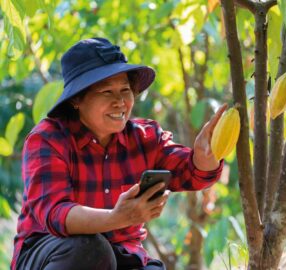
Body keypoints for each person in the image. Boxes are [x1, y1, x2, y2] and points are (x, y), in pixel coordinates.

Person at [11, 37, 226, 270]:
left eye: (125, 90)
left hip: (123, 254)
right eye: (107, 92)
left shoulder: (145, 137)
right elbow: (55, 214)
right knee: (90, 249)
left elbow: (191, 173)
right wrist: (117, 217)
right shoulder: (48, 139)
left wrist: (205, 157)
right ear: (76, 99)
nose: (120, 102)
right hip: (52, 253)